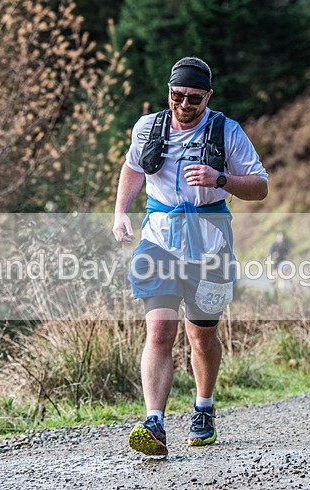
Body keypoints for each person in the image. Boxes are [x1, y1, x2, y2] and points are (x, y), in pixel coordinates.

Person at [112, 57, 268, 456]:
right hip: (158, 241)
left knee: (202, 336)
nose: (184, 104)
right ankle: (154, 422)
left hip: (210, 245)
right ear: (169, 91)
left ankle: (204, 407)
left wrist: (221, 179)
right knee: (160, 333)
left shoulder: (227, 132)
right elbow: (132, 167)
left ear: (208, 96)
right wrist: (120, 212)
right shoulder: (148, 127)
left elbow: (260, 187)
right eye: (177, 95)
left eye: (194, 98)